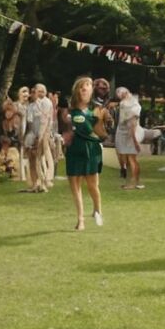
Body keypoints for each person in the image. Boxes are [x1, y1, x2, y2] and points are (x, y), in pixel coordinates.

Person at [66, 76, 105, 231]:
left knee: (92, 185)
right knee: (75, 185)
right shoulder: (70, 111)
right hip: (74, 149)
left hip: (91, 150)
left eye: (88, 86)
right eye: (82, 86)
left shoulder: (97, 110)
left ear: (91, 91)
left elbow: (102, 132)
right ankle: (80, 219)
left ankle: (97, 209)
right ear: (77, 90)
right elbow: (66, 131)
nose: (84, 89)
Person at [24, 83, 55, 192]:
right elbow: (29, 123)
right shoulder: (31, 106)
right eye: (39, 91)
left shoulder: (47, 103)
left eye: (43, 90)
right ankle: (35, 183)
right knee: (32, 159)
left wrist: (40, 137)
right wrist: (28, 139)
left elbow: (45, 122)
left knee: (44, 156)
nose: (41, 93)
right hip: (33, 133)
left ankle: (47, 179)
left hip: (44, 133)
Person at [114, 87, 145, 190]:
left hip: (130, 134)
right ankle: (136, 182)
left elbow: (133, 125)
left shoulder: (133, 106)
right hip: (125, 134)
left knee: (131, 159)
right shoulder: (125, 103)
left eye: (122, 95)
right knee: (130, 159)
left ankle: (132, 183)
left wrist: (135, 141)